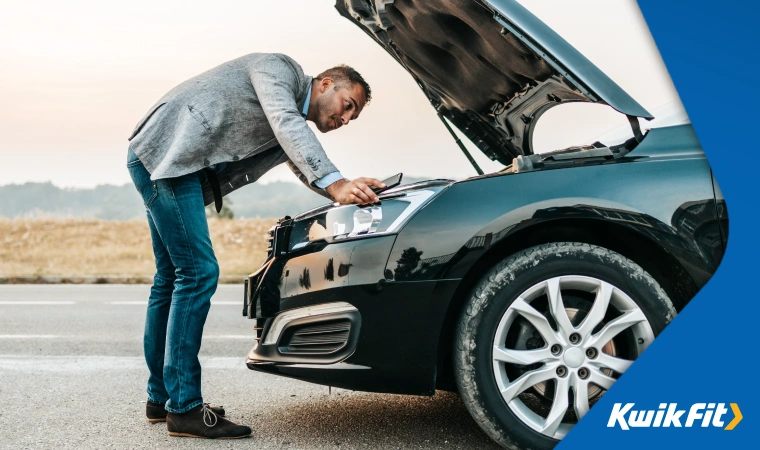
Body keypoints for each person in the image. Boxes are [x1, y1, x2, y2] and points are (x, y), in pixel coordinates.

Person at [126, 53, 385, 439]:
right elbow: (286, 123)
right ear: (327, 83)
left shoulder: (292, 119)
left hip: (164, 161)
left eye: (353, 117)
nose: (346, 119)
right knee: (197, 273)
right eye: (348, 106)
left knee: (170, 278)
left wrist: (344, 189)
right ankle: (183, 409)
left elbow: (298, 157)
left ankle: (161, 399)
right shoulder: (278, 70)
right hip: (168, 158)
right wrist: (336, 182)